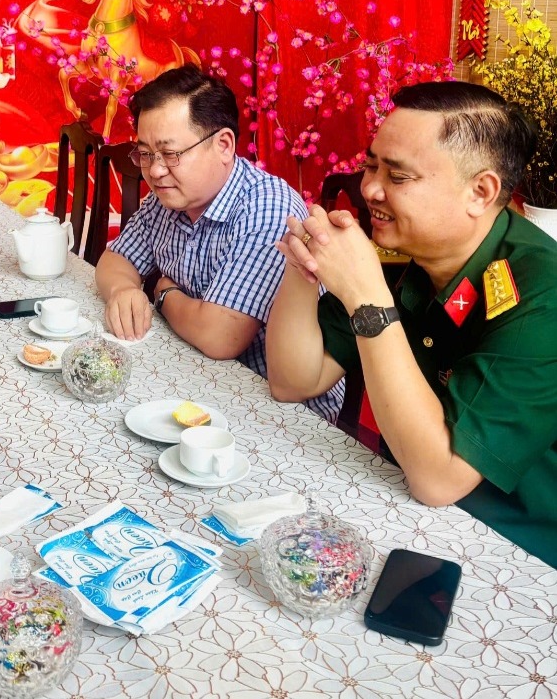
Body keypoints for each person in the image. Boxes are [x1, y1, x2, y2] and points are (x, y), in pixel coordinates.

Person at [265, 81, 557, 568]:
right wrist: (304, 266)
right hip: (405, 510)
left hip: (515, 554)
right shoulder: (414, 258)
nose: (369, 189)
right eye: (371, 165)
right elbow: (294, 380)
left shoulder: (542, 294)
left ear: (480, 192)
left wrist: (366, 297)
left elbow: (440, 479)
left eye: (398, 176)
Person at [96, 65, 342, 421]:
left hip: (279, 410)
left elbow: (220, 337)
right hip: (199, 380)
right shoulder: (171, 197)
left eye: (170, 154)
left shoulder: (267, 206)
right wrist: (122, 290)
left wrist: (164, 294)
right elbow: (116, 259)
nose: (156, 170)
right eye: (145, 154)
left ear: (223, 145)